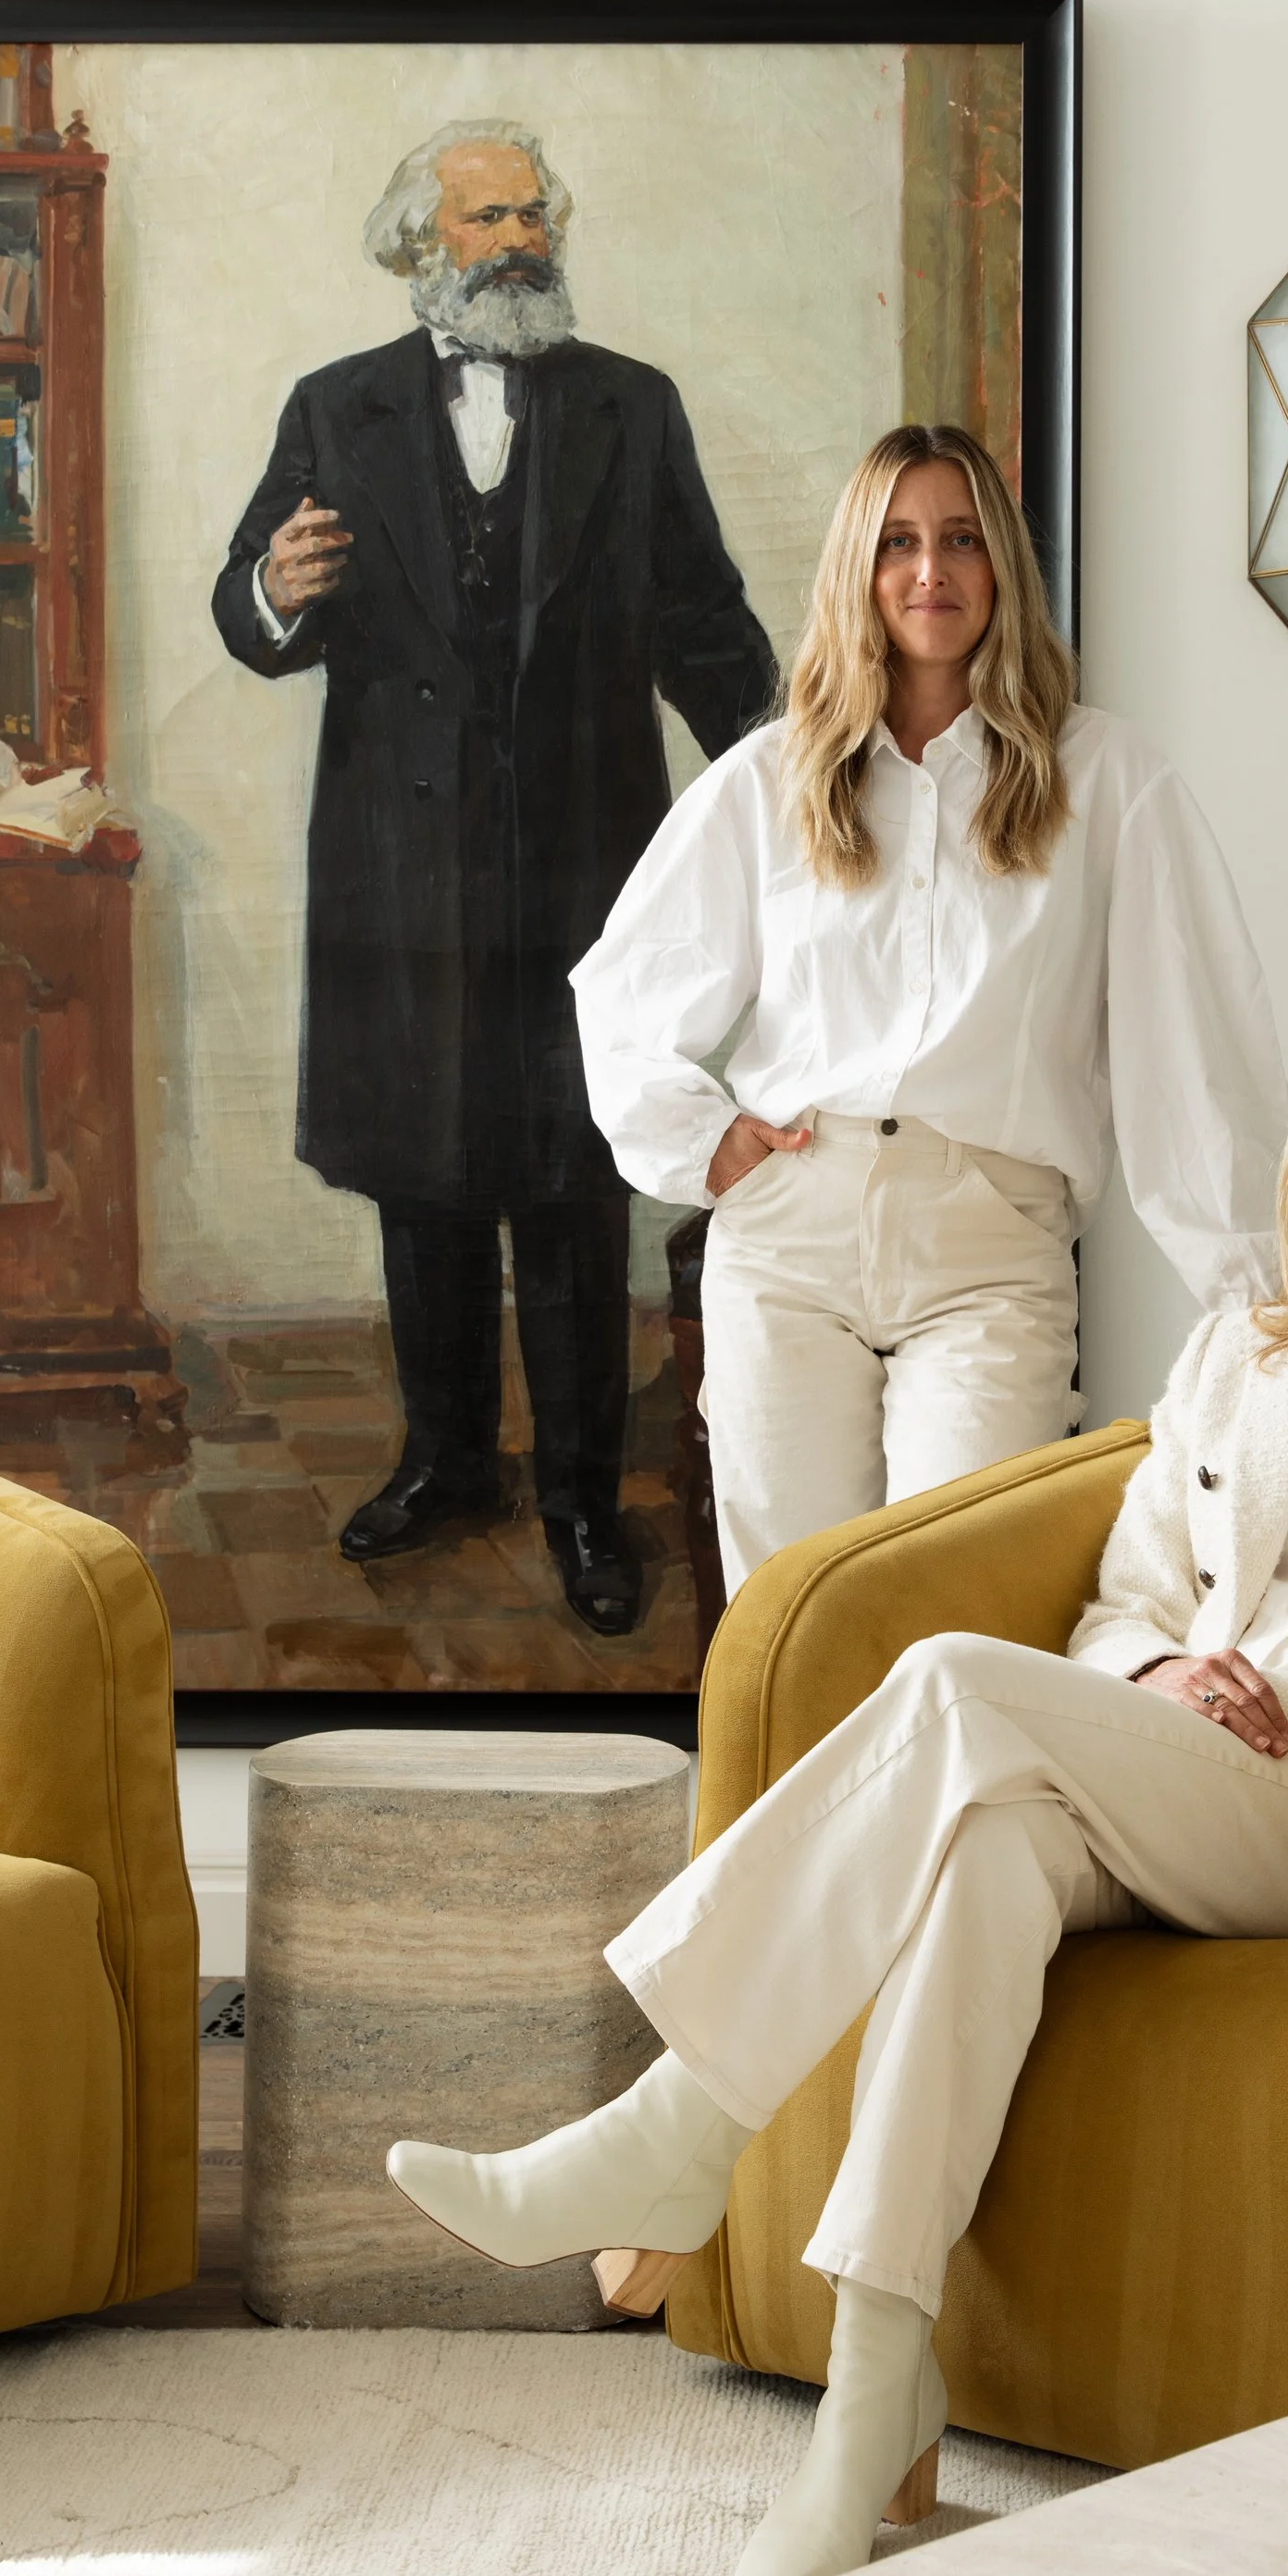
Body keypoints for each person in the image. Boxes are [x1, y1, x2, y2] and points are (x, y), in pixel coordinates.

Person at [386, 1020, 1288, 2576]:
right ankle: (876, 2395)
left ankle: (672, 2129)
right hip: (1189, 1759)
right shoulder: (1240, 1350)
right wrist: (1167, 1677)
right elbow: (1124, 1601)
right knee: (993, 1845)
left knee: (951, 1684)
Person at [210, 120, 776, 1634]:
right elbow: (245, 608)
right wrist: (274, 589)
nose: (521, 239)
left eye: (534, 213)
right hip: (402, 876)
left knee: (577, 1183)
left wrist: (799, 781)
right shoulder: (335, 408)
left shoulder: (633, 407)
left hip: (589, 865)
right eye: (487, 217)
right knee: (427, 1182)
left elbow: (706, 624)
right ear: (424, 243)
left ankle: (583, 1498)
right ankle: (449, 1462)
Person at [570, 422, 1288, 1591]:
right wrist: (700, 1142)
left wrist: (1270, 1301)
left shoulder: (1106, 777)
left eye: (960, 539)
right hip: (790, 1234)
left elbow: (1191, 1050)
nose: (929, 570)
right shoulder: (772, 778)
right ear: (859, 569)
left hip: (990, 1246)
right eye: (897, 542)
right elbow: (622, 990)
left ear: (1001, 565)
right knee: (790, 1606)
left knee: (956, 1600)